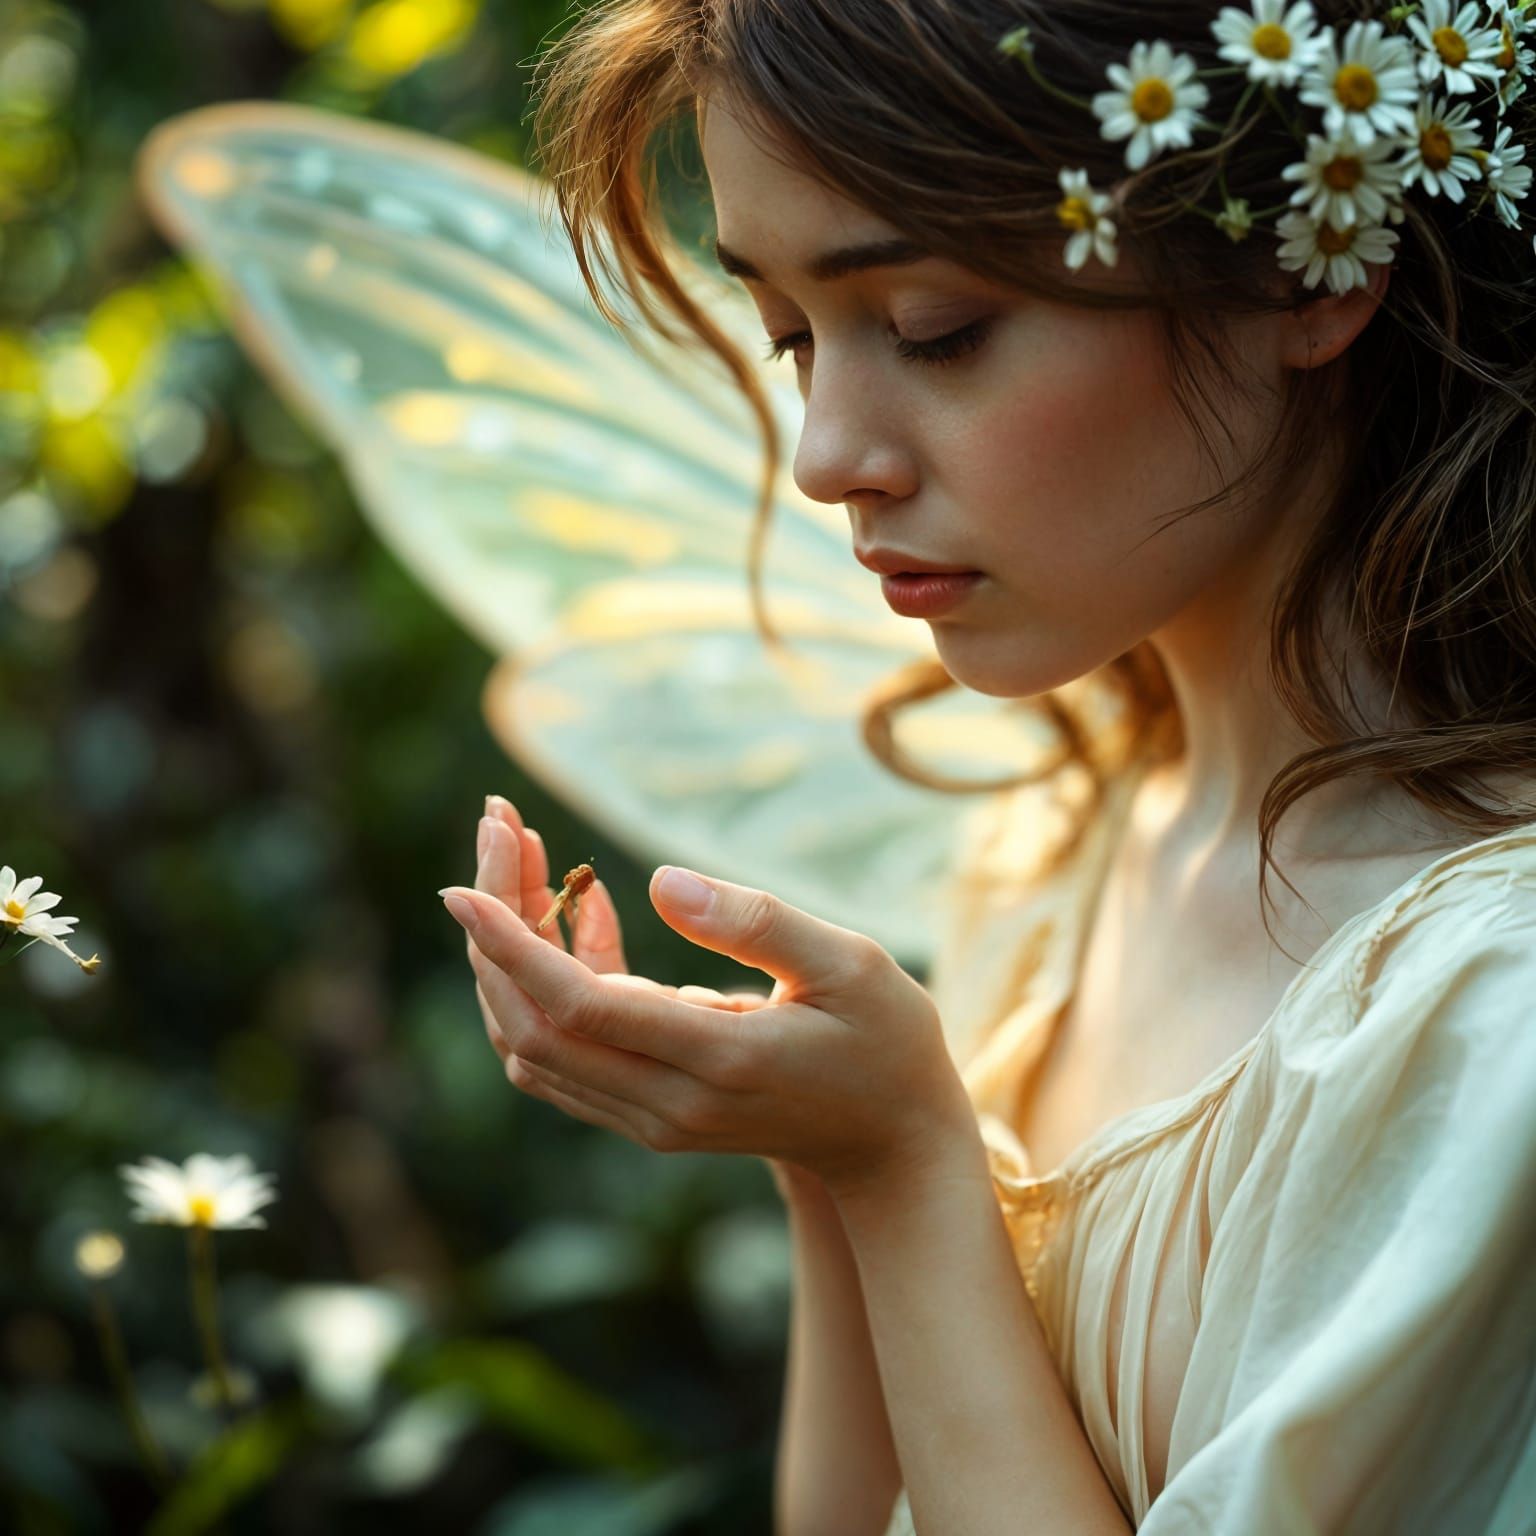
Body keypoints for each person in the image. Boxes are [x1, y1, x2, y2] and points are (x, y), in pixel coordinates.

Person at [504, 0, 1536, 1531]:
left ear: (1300, 276)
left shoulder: (1491, 1020)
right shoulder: (1052, 851)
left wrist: (912, 1169)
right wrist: (828, 1158)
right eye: (793, 336)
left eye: (934, 329)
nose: (828, 453)